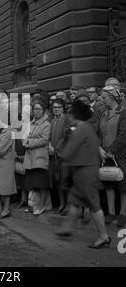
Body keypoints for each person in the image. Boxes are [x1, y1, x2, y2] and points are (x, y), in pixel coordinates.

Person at [56, 100, 110, 249]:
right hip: (83, 171)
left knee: (94, 205)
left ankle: (104, 236)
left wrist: (61, 147)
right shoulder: (86, 128)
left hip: (85, 172)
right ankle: (66, 229)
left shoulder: (80, 130)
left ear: (74, 115)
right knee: (74, 201)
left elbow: (67, 153)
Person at [99, 85, 126, 228]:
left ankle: (123, 214)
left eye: (104, 98)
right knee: (108, 184)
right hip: (105, 155)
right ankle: (111, 213)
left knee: (123, 186)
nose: (102, 101)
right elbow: (99, 134)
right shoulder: (103, 113)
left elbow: (123, 135)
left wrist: (112, 150)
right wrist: (100, 149)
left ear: (112, 97)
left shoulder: (123, 112)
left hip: (121, 155)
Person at [23, 100, 52, 215]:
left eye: (39, 109)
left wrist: (29, 142)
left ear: (43, 110)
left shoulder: (46, 124)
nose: (37, 111)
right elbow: (24, 137)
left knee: (41, 184)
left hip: (40, 157)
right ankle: (32, 205)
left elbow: (44, 140)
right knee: (31, 184)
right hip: (29, 158)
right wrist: (26, 141)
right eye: (35, 109)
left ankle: (42, 205)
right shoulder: (30, 123)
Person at [49, 98, 70, 214]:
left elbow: (66, 136)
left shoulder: (66, 119)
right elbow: (48, 136)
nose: (56, 109)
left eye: (59, 107)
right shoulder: (52, 120)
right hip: (53, 155)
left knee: (64, 180)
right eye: (55, 107)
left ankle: (68, 205)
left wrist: (56, 148)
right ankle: (61, 203)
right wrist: (49, 147)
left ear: (63, 108)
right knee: (57, 181)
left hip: (63, 154)